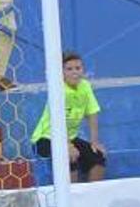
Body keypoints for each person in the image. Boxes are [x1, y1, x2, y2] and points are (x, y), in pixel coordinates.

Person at [29, 51, 107, 182]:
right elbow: (58, 120)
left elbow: (92, 113)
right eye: (69, 69)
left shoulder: (85, 86)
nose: (74, 72)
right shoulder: (59, 89)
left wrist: (94, 141)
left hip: (70, 138)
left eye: (78, 68)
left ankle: (91, 196)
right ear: (62, 72)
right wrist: (67, 146)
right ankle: (71, 197)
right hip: (46, 138)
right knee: (68, 156)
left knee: (98, 156)